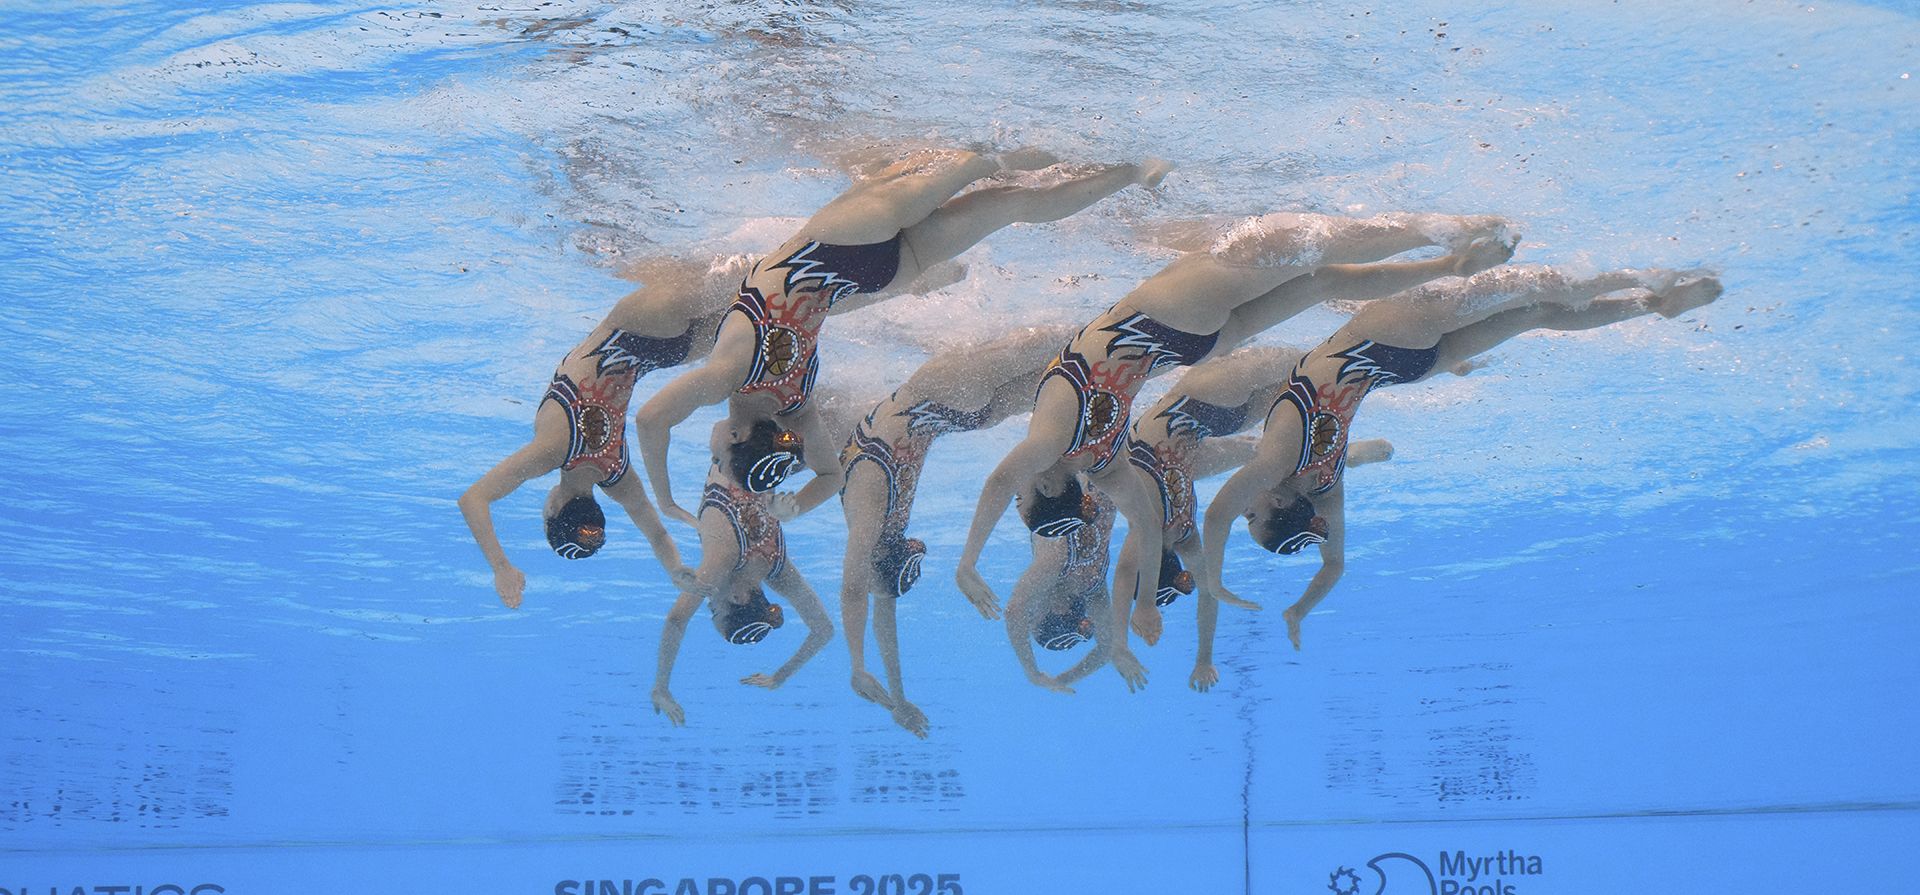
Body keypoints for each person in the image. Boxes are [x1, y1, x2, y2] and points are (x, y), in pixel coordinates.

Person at [955, 211, 1518, 691]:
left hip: (1189, 367)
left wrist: (1136, 643)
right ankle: (1440, 244)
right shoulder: (1082, 473)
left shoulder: (1110, 492)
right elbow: (1014, 505)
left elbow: (1124, 587)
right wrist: (970, 566)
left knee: (1310, 314)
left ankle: (1435, 296)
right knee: (1310, 268)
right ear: (1048, 486)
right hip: (1171, 349)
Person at [633, 149, 1173, 534]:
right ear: (730, 433)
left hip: (881, 273)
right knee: (977, 159)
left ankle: (1131, 171)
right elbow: (650, 419)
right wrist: (666, 501)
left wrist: (795, 505)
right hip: (837, 241)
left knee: (1010, 205)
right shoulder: (728, 372)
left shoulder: (796, 410)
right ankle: (1066, 140)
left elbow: (830, 473)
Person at [1197, 265, 1725, 654]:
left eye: (1248, 514)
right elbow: (1216, 515)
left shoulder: (1328, 487)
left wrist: (1300, 609)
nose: (1245, 505)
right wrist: (1215, 583)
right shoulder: (1275, 459)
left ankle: (1653, 305)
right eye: (1254, 513)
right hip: (1380, 338)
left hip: (1409, 366)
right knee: (1530, 287)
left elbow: (1334, 563)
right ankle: (1647, 277)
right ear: (1278, 503)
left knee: (1535, 314)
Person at [823, 324, 1078, 736]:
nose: (918, 546)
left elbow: (855, 586)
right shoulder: (880, 528)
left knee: (1067, 366)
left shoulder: (868, 518)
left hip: (952, 402)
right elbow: (882, 612)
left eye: (913, 557)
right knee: (1068, 355)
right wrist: (897, 697)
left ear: (895, 556)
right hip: (952, 403)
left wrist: (857, 665)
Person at [458, 255, 747, 609]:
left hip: (674, 352)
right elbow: (473, 500)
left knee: (768, 292)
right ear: (552, 508)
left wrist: (675, 569)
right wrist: (501, 567)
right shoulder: (553, 449)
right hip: (640, 322)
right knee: (745, 267)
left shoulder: (618, 477)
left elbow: (657, 535)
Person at [648, 417, 835, 727]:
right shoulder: (723, 558)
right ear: (737, 595)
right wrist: (661, 686)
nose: (708, 602)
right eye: (714, 610)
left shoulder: (778, 569)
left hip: (777, 444)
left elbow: (823, 631)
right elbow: (676, 621)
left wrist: (780, 677)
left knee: (836, 427)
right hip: (733, 430)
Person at [1003, 476, 1121, 694]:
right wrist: (1033, 673)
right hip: (1073, 460)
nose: (1031, 609)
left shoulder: (1094, 584)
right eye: (1034, 617)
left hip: (1113, 470)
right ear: (1058, 607)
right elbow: (1013, 611)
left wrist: (1066, 678)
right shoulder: (1056, 562)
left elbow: (1107, 648)